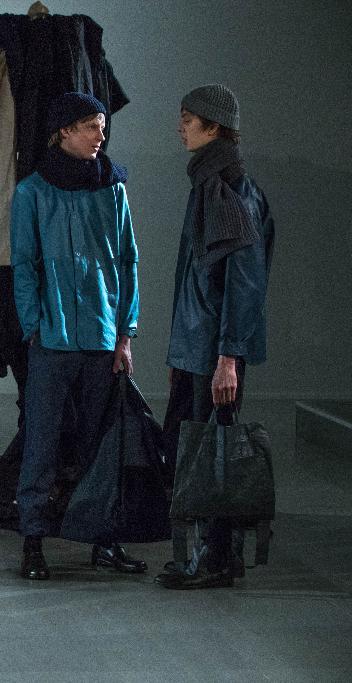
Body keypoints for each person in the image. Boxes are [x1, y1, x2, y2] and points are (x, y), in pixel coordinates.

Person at [10, 92, 144, 581]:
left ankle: (103, 541)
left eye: (102, 126)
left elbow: (128, 262)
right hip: (52, 340)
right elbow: (23, 265)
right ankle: (33, 541)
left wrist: (125, 335)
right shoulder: (31, 192)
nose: (100, 135)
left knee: (100, 446)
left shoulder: (113, 190)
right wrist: (34, 326)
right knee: (41, 443)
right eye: (91, 126)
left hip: (102, 340)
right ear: (64, 130)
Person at [156, 85, 275, 590]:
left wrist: (228, 357)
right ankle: (212, 556)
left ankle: (216, 559)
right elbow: (194, 277)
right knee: (196, 448)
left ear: (214, 126)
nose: (180, 127)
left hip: (214, 350)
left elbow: (245, 283)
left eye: (188, 119)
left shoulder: (232, 189)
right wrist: (180, 353)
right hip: (197, 347)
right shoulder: (209, 182)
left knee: (215, 452)